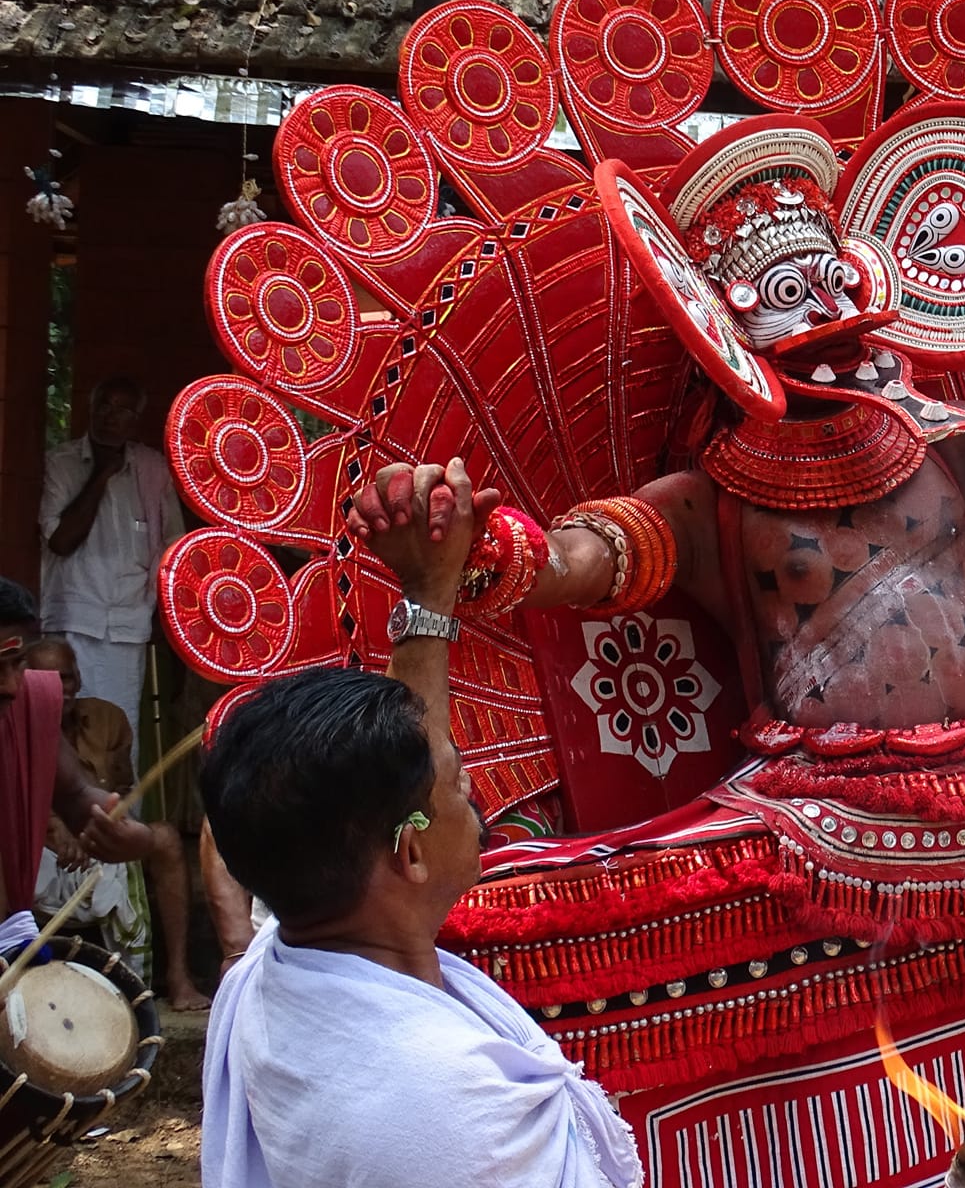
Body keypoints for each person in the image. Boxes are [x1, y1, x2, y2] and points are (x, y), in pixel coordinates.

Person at [200, 459, 643, 1188]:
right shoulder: (454, 1118)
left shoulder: (274, 966)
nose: (476, 800)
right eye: (462, 786)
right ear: (408, 849)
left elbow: (410, 762)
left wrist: (428, 594)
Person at [28, 636, 209, 1009]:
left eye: (66, 678)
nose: (59, 689)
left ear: (78, 678)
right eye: (46, 679)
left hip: (98, 836)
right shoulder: (13, 724)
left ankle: (178, 977)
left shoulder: (108, 719)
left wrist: (90, 829)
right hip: (36, 849)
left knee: (166, 838)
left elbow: (119, 792)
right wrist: (54, 828)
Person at [0, 578, 154, 955]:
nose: (11, 686)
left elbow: (78, 796)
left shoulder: (28, 706)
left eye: (18, 664)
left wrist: (130, 836)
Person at [39, 376, 182, 760]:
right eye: (104, 405)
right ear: (90, 409)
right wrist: (101, 474)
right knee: (66, 735)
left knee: (118, 737)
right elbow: (61, 540)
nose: (110, 417)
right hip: (70, 621)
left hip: (127, 627)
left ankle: (117, 818)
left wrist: (160, 619)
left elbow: (171, 551)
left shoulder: (153, 470)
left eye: (122, 410)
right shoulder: (62, 463)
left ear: (136, 421)